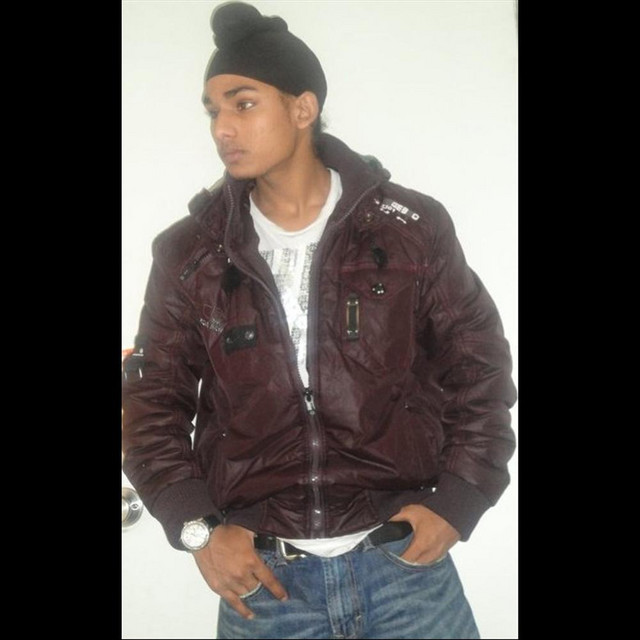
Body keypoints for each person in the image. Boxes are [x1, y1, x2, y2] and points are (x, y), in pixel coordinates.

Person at [122, 2, 517, 638]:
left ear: (302, 108)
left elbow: (479, 369)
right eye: (213, 110)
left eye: (243, 103)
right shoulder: (190, 252)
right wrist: (196, 530)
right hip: (266, 584)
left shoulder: (409, 229)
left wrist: (460, 499)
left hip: (405, 570)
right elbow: (152, 403)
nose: (223, 127)